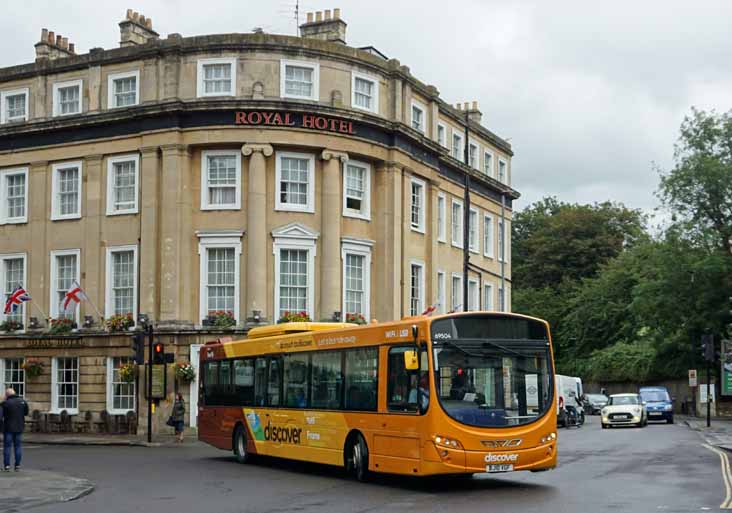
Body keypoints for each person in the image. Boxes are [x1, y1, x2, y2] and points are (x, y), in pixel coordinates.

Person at [1, 388, 28, 471]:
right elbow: (26, 413)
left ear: (7, 395)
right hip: (19, 427)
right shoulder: (23, 402)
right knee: (18, 447)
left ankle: (7, 466)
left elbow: (0, 416)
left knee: (7, 447)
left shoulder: (5, 403)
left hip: (8, 428)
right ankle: (17, 466)